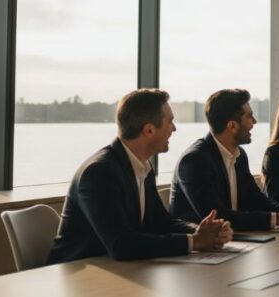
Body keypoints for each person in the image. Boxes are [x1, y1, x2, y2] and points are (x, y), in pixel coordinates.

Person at [47, 89, 232, 264]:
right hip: (73, 278)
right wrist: (195, 242)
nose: (174, 129)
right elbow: (122, 245)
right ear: (149, 130)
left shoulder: (142, 165)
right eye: (170, 122)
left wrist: (204, 232)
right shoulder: (99, 172)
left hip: (115, 270)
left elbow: (161, 222)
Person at [169, 89, 279, 231]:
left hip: (233, 241)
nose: (255, 121)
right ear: (232, 125)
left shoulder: (239, 155)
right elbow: (217, 216)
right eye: (249, 117)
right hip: (196, 251)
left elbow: (257, 200)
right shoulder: (195, 160)